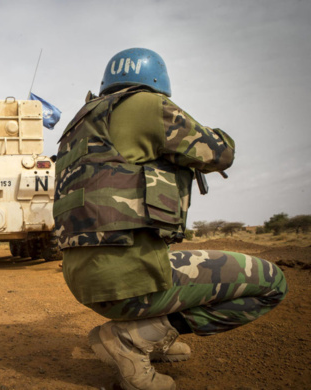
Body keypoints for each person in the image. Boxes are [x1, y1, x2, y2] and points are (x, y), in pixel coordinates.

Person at [53, 48, 288, 390]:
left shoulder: (77, 126)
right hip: (129, 282)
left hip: (84, 280)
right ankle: (133, 339)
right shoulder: (148, 105)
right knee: (272, 283)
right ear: (157, 81)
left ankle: (150, 334)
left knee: (177, 264)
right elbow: (221, 153)